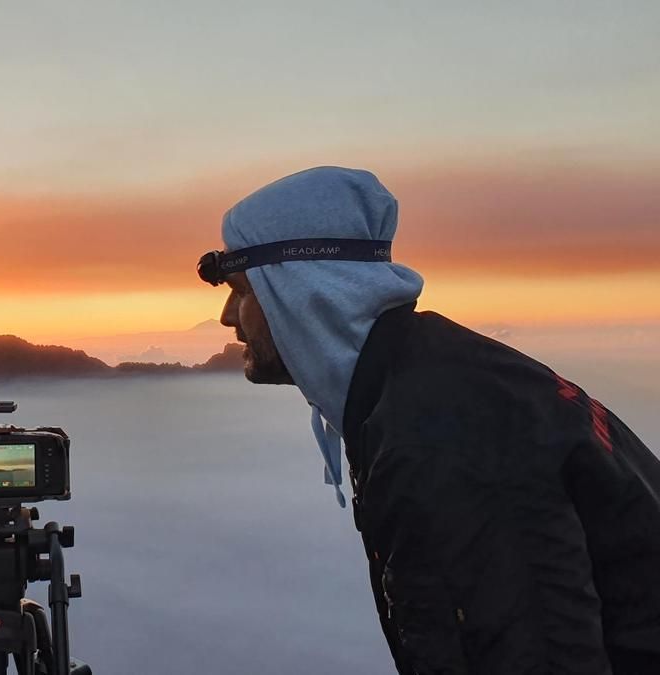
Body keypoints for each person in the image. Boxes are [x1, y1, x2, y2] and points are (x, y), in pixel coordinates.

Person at [198, 166, 660, 674]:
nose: (226, 315)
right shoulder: (437, 376)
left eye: (242, 290)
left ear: (304, 291)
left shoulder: (436, 441)